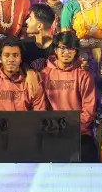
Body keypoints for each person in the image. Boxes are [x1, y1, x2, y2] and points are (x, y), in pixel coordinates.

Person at [40, 31, 98, 159]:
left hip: (79, 132)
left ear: (76, 51)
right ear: (55, 50)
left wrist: (73, 128)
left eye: (71, 48)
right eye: (62, 48)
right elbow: (41, 107)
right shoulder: (44, 74)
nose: (66, 52)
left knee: (89, 157)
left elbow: (88, 109)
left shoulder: (84, 75)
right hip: (53, 131)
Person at [0, 39, 45, 113]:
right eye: (6, 55)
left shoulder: (32, 83)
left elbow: (39, 113)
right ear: (0, 59)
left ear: (21, 59)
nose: (11, 59)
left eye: (15, 55)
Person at [20, 4, 57, 70]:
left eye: (30, 18)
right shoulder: (25, 45)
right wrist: (28, 70)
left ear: (39, 26)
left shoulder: (58, 46)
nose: (26, 21)